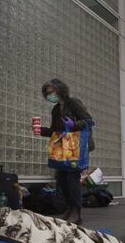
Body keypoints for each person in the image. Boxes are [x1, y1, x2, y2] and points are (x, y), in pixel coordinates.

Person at [36, 78, 94, 224]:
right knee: (62, 180)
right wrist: (40, 130)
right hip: (63, 149)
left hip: (77, 147)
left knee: (72, 179)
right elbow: (55, 132)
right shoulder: (55, 109)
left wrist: (74, 124)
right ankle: (68, 209)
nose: (50, 95)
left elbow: (89, 121)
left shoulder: (73, 102)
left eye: (51, 91)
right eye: (47, 93)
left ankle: (77, 212)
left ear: (60, 89)